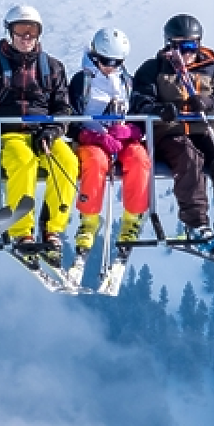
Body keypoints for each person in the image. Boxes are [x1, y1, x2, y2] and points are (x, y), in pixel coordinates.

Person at [131, 13, 214, 252]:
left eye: (190, 46)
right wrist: (160, 110)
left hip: (205, 129)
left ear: (199, 44)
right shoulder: (153, 69)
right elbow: (138, 103)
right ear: (168, 45)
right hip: (169, 132)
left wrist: (210, 104)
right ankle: (197, 223)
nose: (185, 53)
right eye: (178, 46)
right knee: (188, 156)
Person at [0, 4, 77, 263]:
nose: (26, 37)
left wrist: (52, 131)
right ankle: (21, 231)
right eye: (21, 30)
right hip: (8, 133)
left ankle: (52, 229)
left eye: (32, 31)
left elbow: (63, 108)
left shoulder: (52, 68)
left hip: (43, 134)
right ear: (9, 32)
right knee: (23, 163)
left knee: (68, 163)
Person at [68, 27, 152, 255]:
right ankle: (89, 221)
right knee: (95, 163)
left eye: (117, 62)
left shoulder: (127, 82)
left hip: (120, 139)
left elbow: (140, 115)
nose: (110, 67)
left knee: (139, 159)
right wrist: (91, 135)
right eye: (106, 61)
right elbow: (70, 119)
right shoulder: (81, 82)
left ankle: (132, 220)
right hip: (92, 140)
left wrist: (131, 131)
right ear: (94, 56)